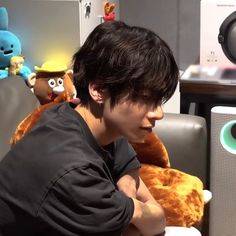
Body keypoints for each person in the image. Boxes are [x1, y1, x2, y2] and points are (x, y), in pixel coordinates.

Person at [0, 21, 179, 236]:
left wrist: (129, 199)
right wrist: (137, 209)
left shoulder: (79, 114)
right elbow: (153, 223)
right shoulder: (73, 173)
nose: (158, 113)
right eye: (146, 98)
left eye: (159, 100)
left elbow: (151, 212)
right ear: (98, 89)